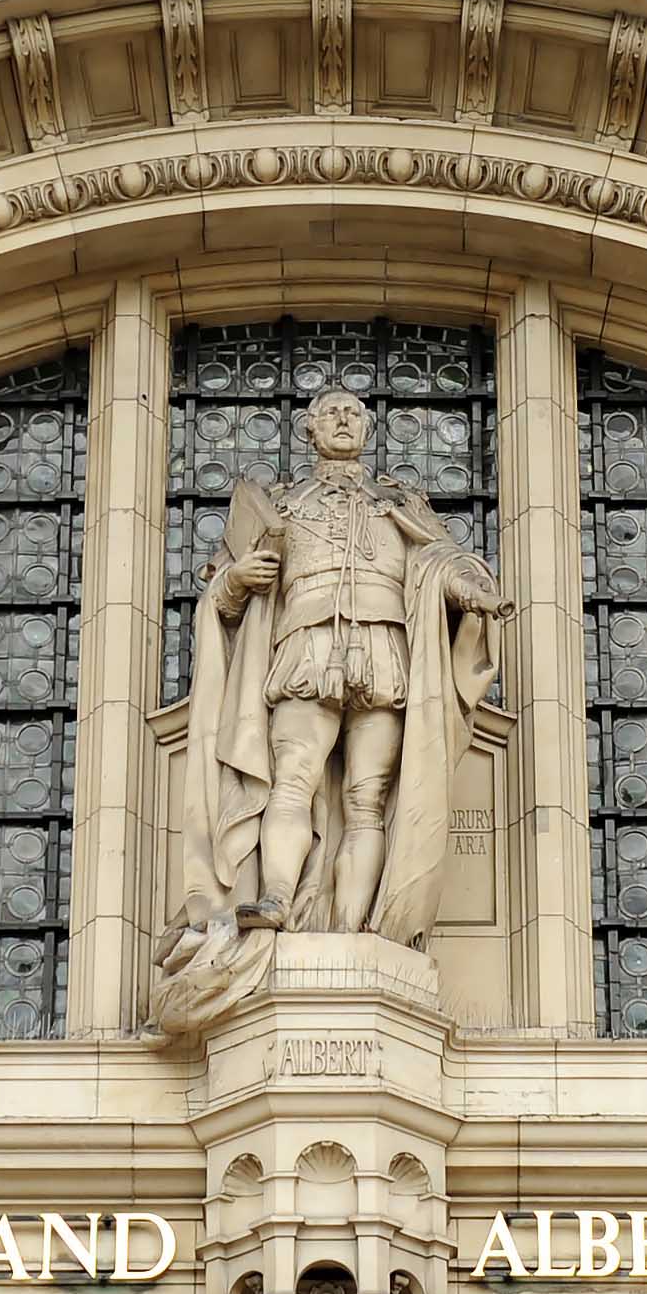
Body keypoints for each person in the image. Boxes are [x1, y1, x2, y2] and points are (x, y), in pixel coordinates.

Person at [180, 390, 508, 942]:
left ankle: (355, 929)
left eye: (353, 413)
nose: (342, 420)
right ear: (309, 429)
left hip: (384, 648)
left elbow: (438, 563)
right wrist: (236, 580)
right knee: (292, 781)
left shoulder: (401, 502)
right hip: (305, 645)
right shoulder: (279, 504)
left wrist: (470, 589)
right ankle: (278, 898)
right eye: (330, 413)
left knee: (366, 798)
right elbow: (223, 599)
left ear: (368, 429)